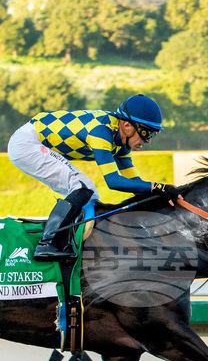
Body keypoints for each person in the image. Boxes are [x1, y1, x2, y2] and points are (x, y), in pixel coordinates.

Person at [7, 94, 180, 261]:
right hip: (27, 143)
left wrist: (161, 194)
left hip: (32, 141)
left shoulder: (122, 143)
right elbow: (113, 181)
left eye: (152, 134)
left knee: (90, 195)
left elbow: (135, 184)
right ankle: (48, 244)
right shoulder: (101, 131)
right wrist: (157, 187)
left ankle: (74, 242)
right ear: (127, 126)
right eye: (146, 133)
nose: (148, 140)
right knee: (84, 189)